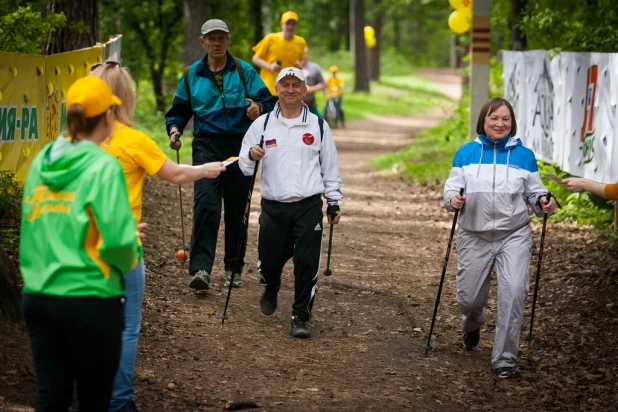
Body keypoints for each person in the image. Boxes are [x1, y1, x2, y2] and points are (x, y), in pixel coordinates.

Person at [91, 62, 226, 412]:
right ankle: (119, 401)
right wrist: (210, 169)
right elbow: (176, 173)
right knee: (126, 329)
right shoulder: (131, 139)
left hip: (80, 247)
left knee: (86, 325)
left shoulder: (72, 143)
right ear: (124, 97)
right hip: (122, 247)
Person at [20, 76, 139, 410]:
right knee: (94, 401)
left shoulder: (42, 161)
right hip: (90, 298)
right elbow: (117, 244)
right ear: (107, 117)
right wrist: (130, 249)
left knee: (51, 396)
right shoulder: (103, 165)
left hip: (39, 296)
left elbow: (34, 226)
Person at [443, 98, 556, 379]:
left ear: (512, 122)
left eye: (506, 119)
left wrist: (544, 201)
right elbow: (450, 192)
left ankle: (505, 358)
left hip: (513, 235)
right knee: (468, 300)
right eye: (494, 118)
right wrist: (453, 199)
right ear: (483, 120)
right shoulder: (466, 154)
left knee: (515, 292)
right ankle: (473, 324)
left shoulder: (524, 156)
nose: (500, 124)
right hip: (474, 234)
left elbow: (535, 192)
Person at [165, 19, 274, 291]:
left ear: (228, 40)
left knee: (238, 207)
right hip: (206, 146)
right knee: (206, 204)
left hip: (240, 146)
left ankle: (233, 267)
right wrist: (175, 130)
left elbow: (270, 102)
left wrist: (257, 108)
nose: (216, 43)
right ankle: (201, 269)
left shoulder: (243, 70)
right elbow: (179, 110)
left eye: (221, 38)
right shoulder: (191, 74)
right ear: (202, 42)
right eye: (211, 39)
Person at [239, 67, 343, 339]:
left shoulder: (318, 125)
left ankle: (300, 315)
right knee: (269, 260)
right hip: (273, 206)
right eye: (285, 84)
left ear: (304, 90)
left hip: (308, 205)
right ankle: (271, 285)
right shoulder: (262, 125)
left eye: (296, 84)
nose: (290, 89)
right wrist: (251, 154)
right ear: (277, 89)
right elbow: (244, 165)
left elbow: (329, 167)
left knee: (307, 262)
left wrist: (333, 201)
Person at [251, 10, 307, 99]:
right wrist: (270, 66)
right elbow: (255, 58)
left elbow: (302, 62)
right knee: (268, 112)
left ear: (296, 26)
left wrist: (300, 65)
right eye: (288, 24)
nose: (290, 27)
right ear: (281, 24)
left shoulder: (301, 42)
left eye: (293, 24)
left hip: (289, 90)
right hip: (269, 87)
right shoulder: (271, 38)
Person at [299, 48, 326, 117]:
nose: (301, 56)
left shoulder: (314, 68)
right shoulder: (291, 67)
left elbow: (323, 84)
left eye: (303, 53)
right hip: (295, 105)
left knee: (320, 122)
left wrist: (310, 89)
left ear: (307, 55)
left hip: (310, 103)